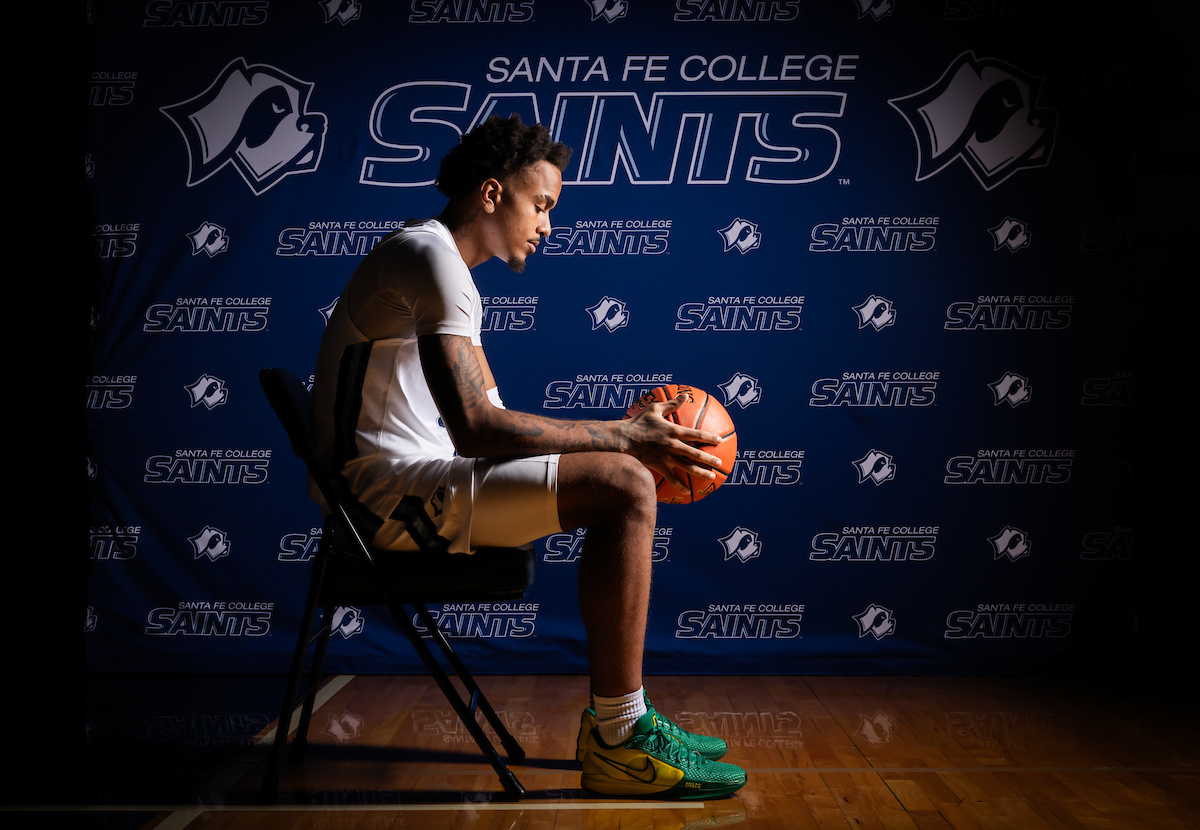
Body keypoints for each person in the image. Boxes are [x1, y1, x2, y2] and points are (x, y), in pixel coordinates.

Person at [310, 114, 746, 800]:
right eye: (540, 205)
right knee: (628, 484)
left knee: (621, 477)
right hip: (384, 499)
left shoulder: (438, 262)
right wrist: (625, 437)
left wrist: (620, 436)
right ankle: (620, 736)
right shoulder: (432, 261)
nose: (548, 225)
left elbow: (487, 425)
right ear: (491, 195)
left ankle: (621, 721)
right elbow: (481, 431)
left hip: (412, 482)